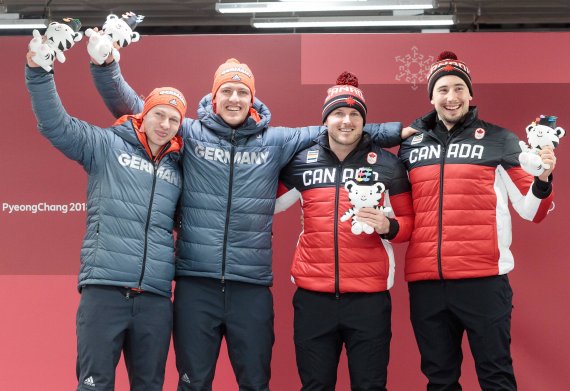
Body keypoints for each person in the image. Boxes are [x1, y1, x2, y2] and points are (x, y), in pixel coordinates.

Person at [89, 55, 409, 390]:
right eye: (226, 91)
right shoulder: (189, 131)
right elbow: (134, 107)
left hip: (251, 287)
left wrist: (393, 132)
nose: (234, 99)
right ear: (214, 98)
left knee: (255, 383)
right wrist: (105, 66)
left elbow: (341, 127)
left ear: (252, 99)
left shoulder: (276, 140)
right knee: (192, 383)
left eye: (242, 92)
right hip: (196, 285)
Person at [25, 49, 186, 391]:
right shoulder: (106, 146)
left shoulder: (179, 167)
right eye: (159, 114)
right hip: (105, 291)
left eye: (174, 120)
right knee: (94, 386)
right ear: (144, 115)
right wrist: (39, 72)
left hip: (155, 299)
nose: (166, 124)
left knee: (150, 386)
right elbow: (55, 124)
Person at [398, 51, 557, 391]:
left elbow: (532, 210)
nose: (451, 97)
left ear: (470, 95)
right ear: (431, 96)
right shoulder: (411, 147)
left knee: (495, 376)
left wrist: (544, 179)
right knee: (439, 380)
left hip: (483, 281)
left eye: (459, 88)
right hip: (427, 283)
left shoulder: (501, 139)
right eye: (442, 89)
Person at [275, 72, 414, 391]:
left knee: (370, 386)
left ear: (364, 120)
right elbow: (266, 203)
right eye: (338, 113)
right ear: (326, 118)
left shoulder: (388, 165)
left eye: (354, 114)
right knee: (315, 386)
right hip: (313, 298)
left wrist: (388, 226)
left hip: (369, 300)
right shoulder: (301, 161)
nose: (346, 121)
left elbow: (409, 225)